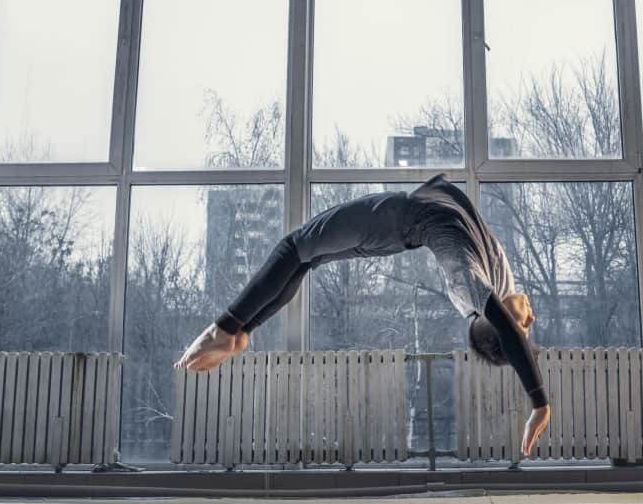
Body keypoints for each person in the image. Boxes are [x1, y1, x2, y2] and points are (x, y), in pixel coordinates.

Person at [174, 173, 551, 455]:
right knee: (305, 261)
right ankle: (242, 332)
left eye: (521, 326)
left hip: (393, 220)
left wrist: (539, 401)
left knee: (293, 248)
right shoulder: (500, 281)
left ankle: (224, 327)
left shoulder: (467, 280)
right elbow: (508, 331)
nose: (529, 321)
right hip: (394, 227)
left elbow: (506, 329)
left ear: (495, 319)